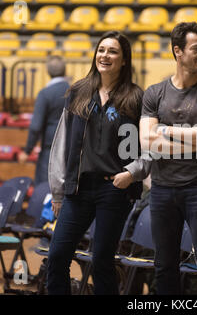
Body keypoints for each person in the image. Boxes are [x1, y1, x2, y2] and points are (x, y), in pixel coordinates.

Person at [47, 31, 150, 295]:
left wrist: (133, 172)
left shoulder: (137, 98)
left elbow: (150, 147)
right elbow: (61, 143)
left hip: (114, 190)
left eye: (113, 51)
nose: (105, 55)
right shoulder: (79, 92)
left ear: (124, 60)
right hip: (79, 189)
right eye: (101, 50)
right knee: (58, 254)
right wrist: (58, 189)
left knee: (102, 261)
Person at [139, 22, 197, 295]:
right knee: (164, 265)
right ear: (178, 51)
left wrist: (165, 131)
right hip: (162, 190)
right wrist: (195, 138)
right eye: (196, 49)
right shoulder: (154, 93)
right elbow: (146, 141)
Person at [18, 55, 69, 185]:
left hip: (50, 149)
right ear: (65, 71)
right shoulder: (75, 92)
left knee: (45, 189)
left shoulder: (45, 93)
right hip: (71, 147)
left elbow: (36, 126)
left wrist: (27, 150)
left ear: (48, 71)